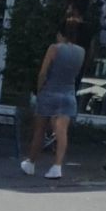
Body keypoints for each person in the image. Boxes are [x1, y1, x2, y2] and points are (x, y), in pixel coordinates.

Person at [23, 14, 86, 179]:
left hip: (50, 91)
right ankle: (57, 166)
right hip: (68, 93)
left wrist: (39, 90)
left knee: (39, 130)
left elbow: (43, 72)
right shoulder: (81, 51)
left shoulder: (54, 48)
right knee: (62, 131)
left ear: (61, 33)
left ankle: (31, 162)